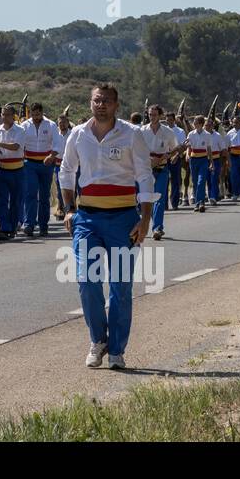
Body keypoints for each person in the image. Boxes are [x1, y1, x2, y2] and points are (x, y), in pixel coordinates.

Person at [59, 84, 156, 371]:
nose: (100, 105)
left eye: (106, 101)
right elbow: (66, 171)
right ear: (90, 103)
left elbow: (145, 176)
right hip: (87, 219)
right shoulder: (78, 134)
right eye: (96, 100)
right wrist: (69, 209)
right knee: (87, 282)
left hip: (124, 219)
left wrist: (145, 219)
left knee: (120, 287)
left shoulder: (131, 134)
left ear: (116, 105)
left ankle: (116, 350)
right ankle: (98, 340)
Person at [139, 105, 179, 240]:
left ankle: (157, 228)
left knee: (160, 198)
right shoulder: (142, 131)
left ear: (160, 115)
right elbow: (136, 150)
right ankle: (149, 222)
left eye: (155, 114)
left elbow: (175, 149)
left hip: (162, 168)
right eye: (150, 114)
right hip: (146, 169)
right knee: (146, 198)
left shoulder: (167, 132)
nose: (152, 117)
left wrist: (171, 156)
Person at [20, 102, 58, 237]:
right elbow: (20, 144)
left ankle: (43, 225)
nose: (36, 117)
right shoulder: (24, 126)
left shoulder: (51, 125)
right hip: (29, 163)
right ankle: (29, 224)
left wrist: (52, 156)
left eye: (38, 114)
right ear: (30, 113)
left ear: (42, 113)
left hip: (46, 164)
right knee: (30, 193)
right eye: (33, 114)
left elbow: (57, 143)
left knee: (44, 195)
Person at [0, 104, 28, 240]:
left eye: (7, 114)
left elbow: (16, 146)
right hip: (1, 170)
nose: (4, 117)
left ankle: (12, 227)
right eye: (2, 114)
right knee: (1, 200)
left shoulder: (20, 130)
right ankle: (3, 228)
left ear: (13, 116)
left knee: (15, 201)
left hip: (17, 170)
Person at [185, 115, 215, 212]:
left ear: (201, 124)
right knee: (194, 182)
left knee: (201, 181)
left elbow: (209, 149)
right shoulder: (191, 134)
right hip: (193, 160)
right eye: (194, 122)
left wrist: (211, 162)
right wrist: (187, 155)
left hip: (203, 160)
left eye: (196, 122)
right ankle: (198, 203)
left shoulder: (207, 135)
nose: (194, 124)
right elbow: (189, 146)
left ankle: (200, 202)